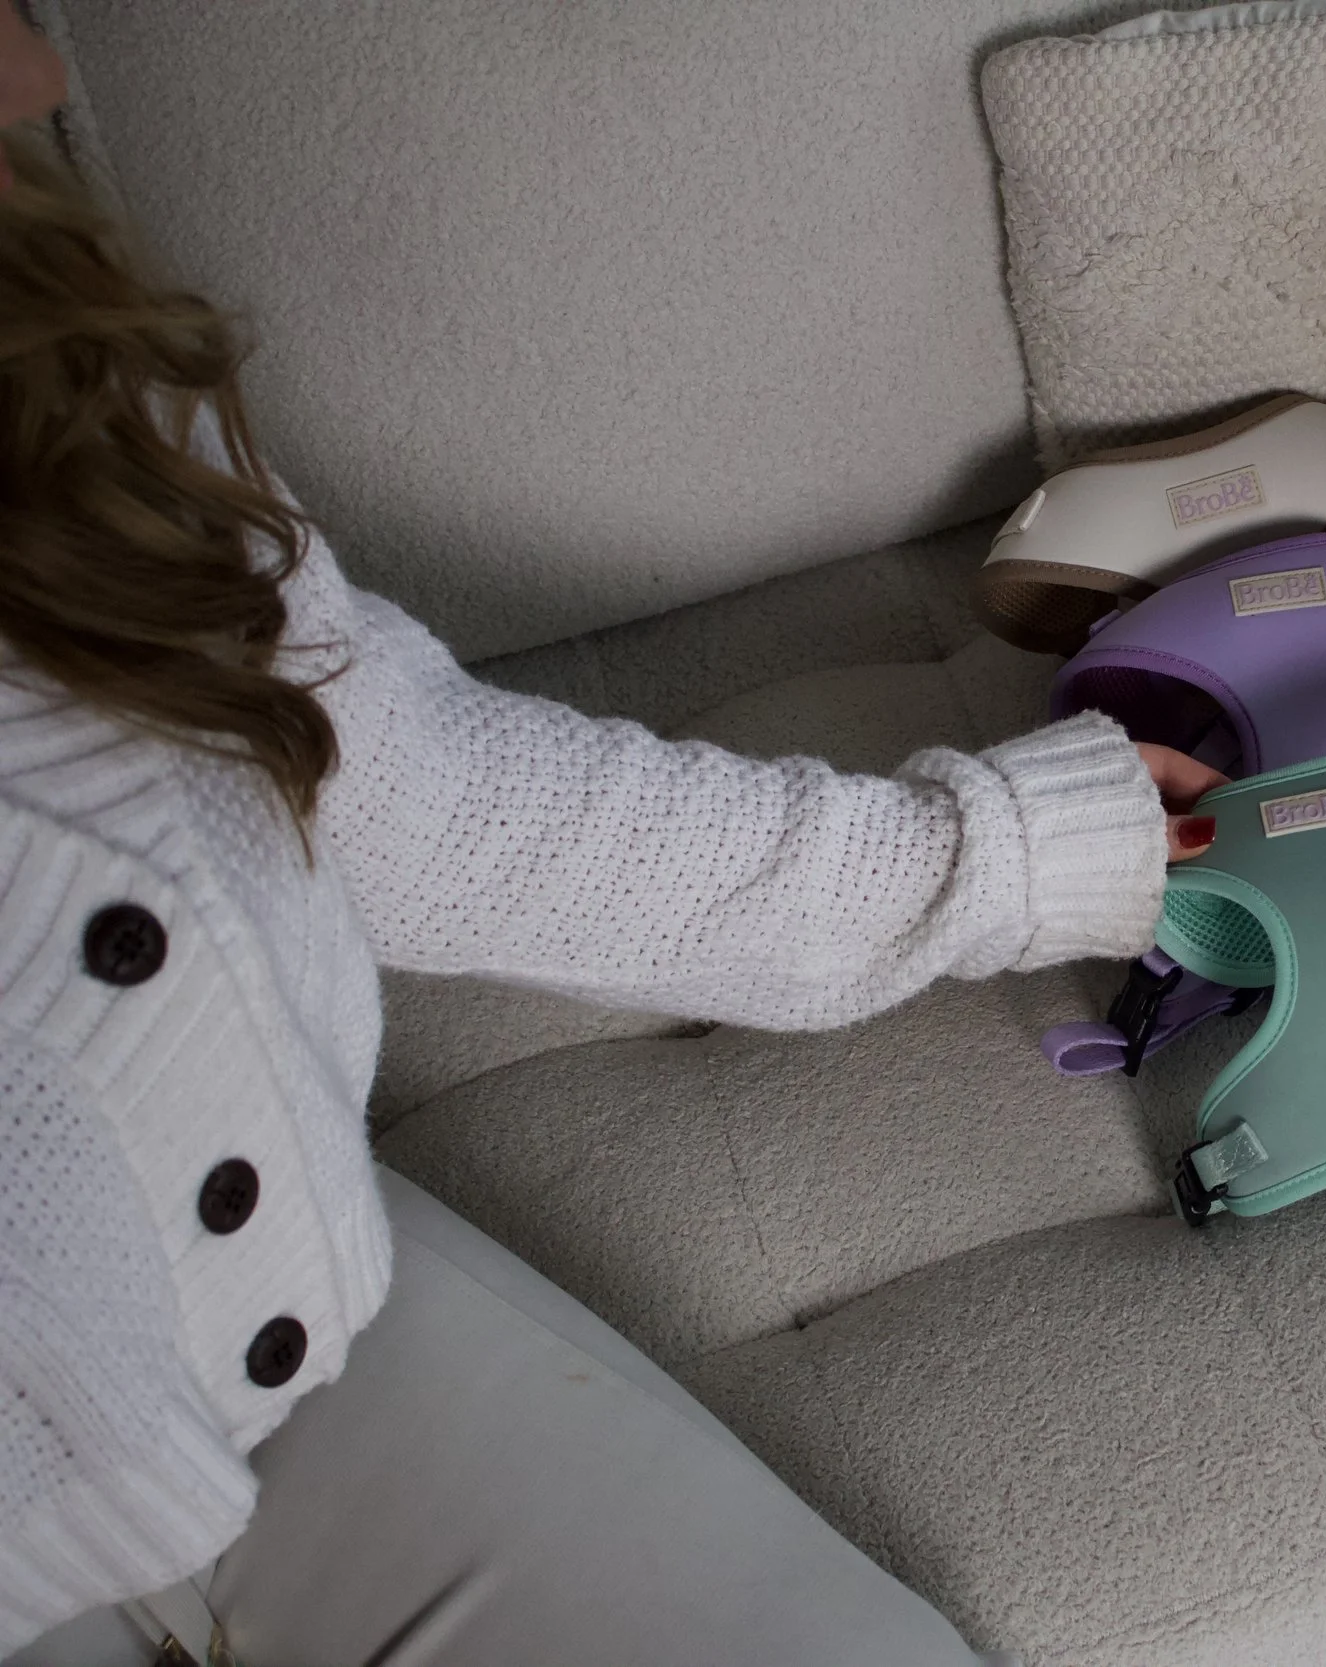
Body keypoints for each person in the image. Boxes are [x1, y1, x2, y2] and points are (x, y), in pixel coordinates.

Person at [0, 7, 1221, 1660]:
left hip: (303, 1334)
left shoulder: (56, 342)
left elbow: (419, 803)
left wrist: (1003, 856)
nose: (46, 74)